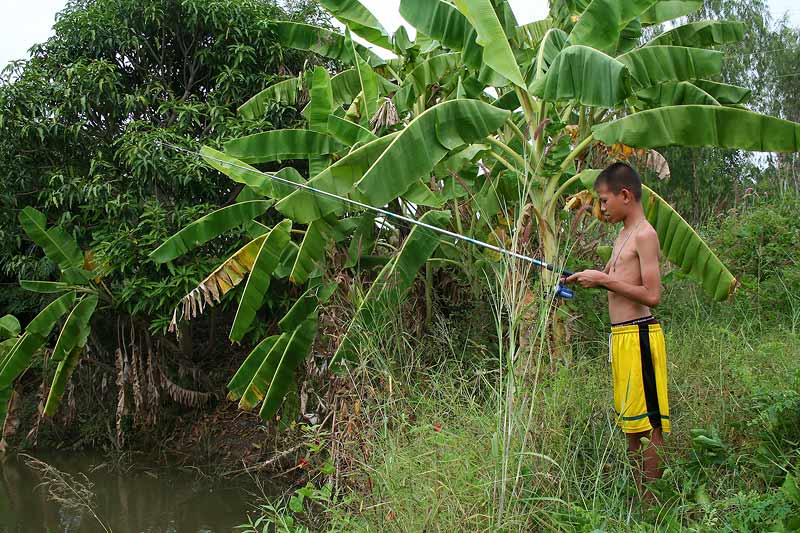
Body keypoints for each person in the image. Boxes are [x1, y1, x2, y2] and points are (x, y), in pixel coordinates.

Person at [564, 162, 670, 502]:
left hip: (640, 335)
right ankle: (640, 498)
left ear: (626, 195)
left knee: (650, 424)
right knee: (630, 423)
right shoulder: (622, 233)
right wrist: (586, 277)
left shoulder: (644, 234)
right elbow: (615, 284)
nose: (601, 208)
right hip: (621, 339)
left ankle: (652, 505)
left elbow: (652, 295)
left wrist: (605, 279)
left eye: (605, 200)